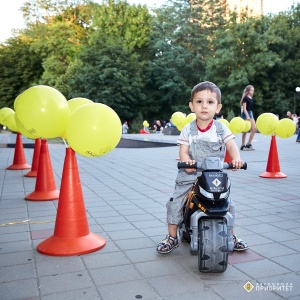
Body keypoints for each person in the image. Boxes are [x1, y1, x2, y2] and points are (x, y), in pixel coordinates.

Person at [156, 81, 248, 254]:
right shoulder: (188, 130)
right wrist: (188, 162)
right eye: (199, 102)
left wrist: (236, 159)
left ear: (218, 107)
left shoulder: (221, 129)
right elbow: (183, 151)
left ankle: (231, 235)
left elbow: (231, 146)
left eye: (210, 102)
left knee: (228, 203)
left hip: (215, 176)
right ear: (192, 106)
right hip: (190, 174)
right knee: (176, 201)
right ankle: (172, 236)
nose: (204, 106)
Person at [240, 85, 256, 151]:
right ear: (248, 90)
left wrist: (250, 114)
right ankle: (243, 145)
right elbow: (244, 108)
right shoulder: (245, 98)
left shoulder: (251, 98)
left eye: (253, 90)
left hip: (250, 113)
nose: (253, 91)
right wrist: (247, 115)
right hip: (245, 113)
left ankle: (249, 144)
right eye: (252, 90)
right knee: (245, 130)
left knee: (254, 128)